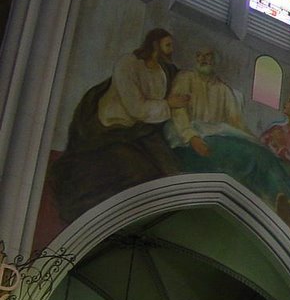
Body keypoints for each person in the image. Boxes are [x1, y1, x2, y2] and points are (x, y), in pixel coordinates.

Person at [51, 28, 188, 221]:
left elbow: (151, 108)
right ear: (155, 44)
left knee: (169, 168)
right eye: (168, 45)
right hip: (113, 127)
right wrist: (168, 104)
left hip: (139, 130)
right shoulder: (128, 65)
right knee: (137, 170)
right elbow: (136, 108)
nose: (171, 50)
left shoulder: (160, 72)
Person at [169, 52, 290, 204]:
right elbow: (178, 111)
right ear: (196, 58)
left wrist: (258, 143)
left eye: (209, 56)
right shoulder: (186, 78)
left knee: (266, 156)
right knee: (254, 156)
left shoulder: (223, 89)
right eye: (201, 55)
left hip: (218, 137)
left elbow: (237, 123)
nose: (204, 59)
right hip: (192, 142)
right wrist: (192, 137)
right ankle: (280, 199)